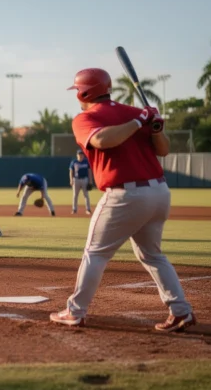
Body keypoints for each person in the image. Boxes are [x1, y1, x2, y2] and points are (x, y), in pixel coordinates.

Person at [50, 67, 196, 333]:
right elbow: (154, 149)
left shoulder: (86, 118)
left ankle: (75, 311)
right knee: (152, 255)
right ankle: (181, 311)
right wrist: (142, 121)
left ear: (84, 91)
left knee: (95, 253)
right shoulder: (135, 113)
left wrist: (156, 127)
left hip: (126, 195)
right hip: (158, 193)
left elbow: (106, 141)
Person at [69, 149, 94, 214]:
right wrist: (71, 180)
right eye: (79, 154)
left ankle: (88, 209)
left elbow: (89, 171)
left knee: (86, 195)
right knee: (75, 195)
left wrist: (90, 180)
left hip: (84, 180)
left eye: (82, 154)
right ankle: (74, 209)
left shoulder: (86, 162)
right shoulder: (74, 162)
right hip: (76, 179)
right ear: (77, 155)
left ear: (83, 155)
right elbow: (71, 172)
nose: (80, 155)